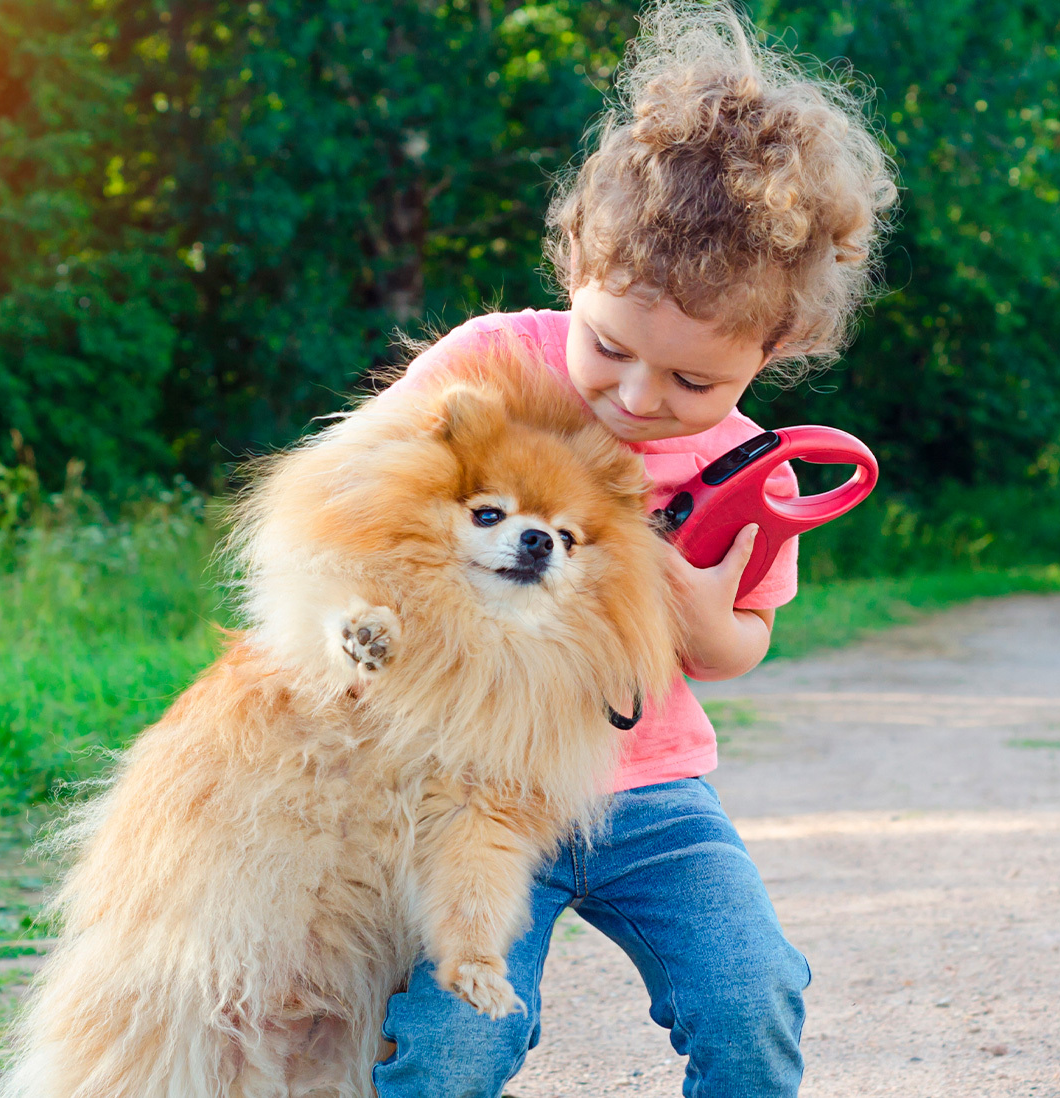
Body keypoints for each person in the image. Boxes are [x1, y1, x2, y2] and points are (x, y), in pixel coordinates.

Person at [370, 3, 895, 1095]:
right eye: (607, 347)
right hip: (478, 792)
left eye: (692, 382)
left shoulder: (757, 472)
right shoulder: (492, 366)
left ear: (777, 346)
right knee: (457, 1039)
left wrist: (693, 612)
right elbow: (366, 510)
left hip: (651, 793)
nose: (636, 397)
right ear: (576, 264)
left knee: (750, 994)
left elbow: (738, 648)